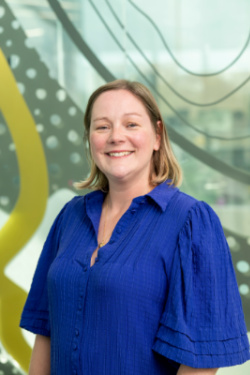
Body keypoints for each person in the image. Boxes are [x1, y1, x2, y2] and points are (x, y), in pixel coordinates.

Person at [20, 79, 250, 375]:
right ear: (90, 139)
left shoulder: (191, 222)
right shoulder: (70, 217)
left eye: (131, 124)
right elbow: (46, 331)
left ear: (157, 136)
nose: (116, 136)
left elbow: (200, 363)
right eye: (102, 126)